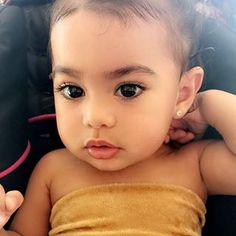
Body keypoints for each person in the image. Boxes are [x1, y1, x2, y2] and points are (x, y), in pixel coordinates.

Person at [0, 0, 236, 235]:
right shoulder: (52, 169)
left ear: (182, 93)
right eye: (72, 90)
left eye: (128, 90)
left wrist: (205, 104)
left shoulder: (194, 164)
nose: (94, 118)